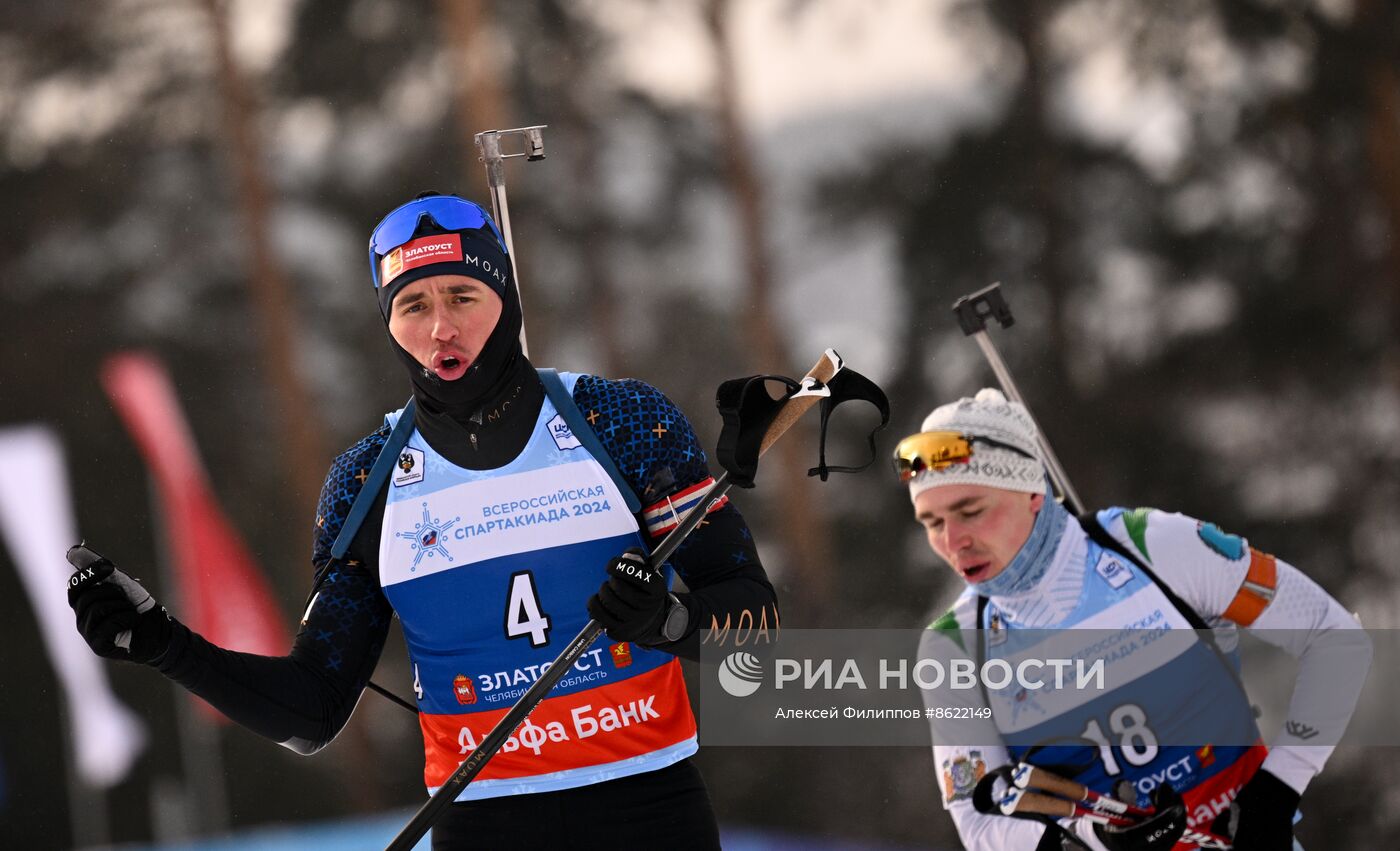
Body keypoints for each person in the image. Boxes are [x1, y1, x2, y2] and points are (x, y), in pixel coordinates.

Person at [66, 192, 779, 849]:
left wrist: (668, 619)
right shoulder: (367, 482)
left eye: (463, 295)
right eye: (413, 306)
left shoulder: (620, 422)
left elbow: (759, 627)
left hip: (648, 809)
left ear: (505, 298)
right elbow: (313, 708)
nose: (442, 326)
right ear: (390, 323)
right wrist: (163, 643)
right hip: (483, 823)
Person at [899, 389, 1370, 851]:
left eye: (971, 511)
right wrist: (1087, 840)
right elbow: (979, 823)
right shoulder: (954, 645)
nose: (953, 541)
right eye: (933, 523)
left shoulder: (1153, 548)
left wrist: (1277, 790)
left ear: (1032, 493)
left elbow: (1336, 641)